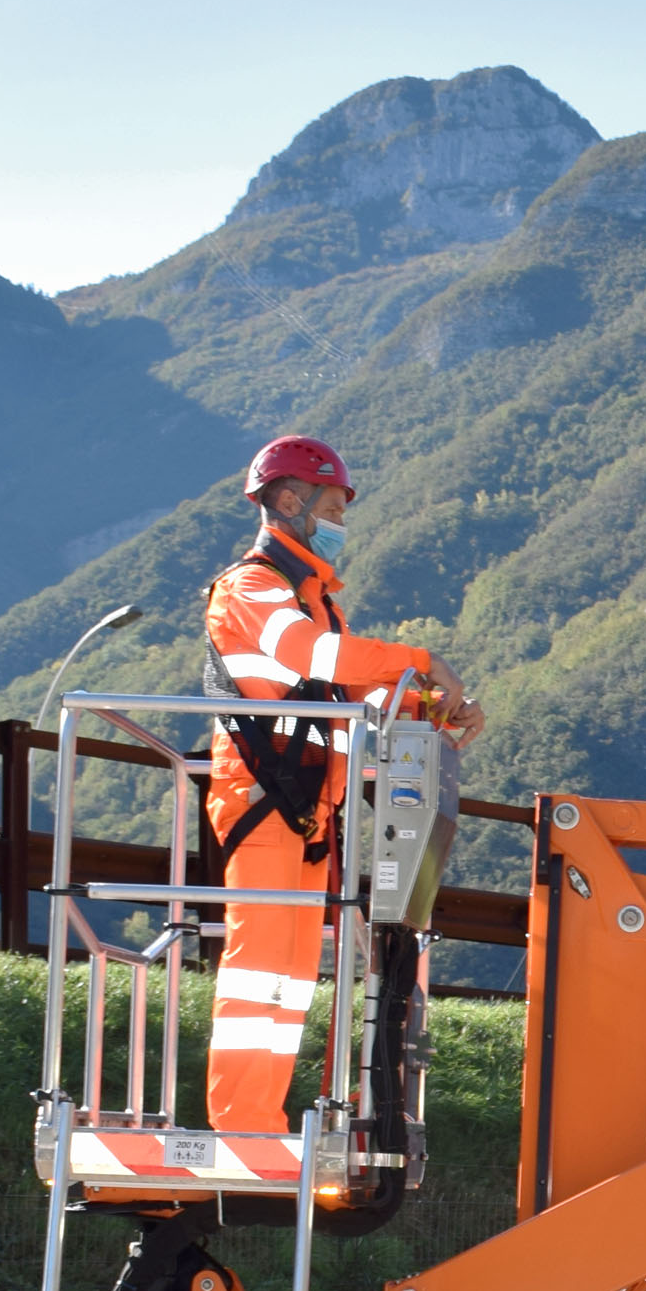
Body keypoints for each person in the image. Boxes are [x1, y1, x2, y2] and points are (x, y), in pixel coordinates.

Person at [200, 435, 484, 1134]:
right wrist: (421, 659)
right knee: (258, 973)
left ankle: (257, 1121)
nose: (339, 524)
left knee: (289, 978)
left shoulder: (313, 599)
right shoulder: (252, 587)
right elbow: (311, 656)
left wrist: (428, 707)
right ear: (288, 501)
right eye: (332, 507)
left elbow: (339, 698)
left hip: (306, 811)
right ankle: (241, 1124)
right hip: (265, 805)